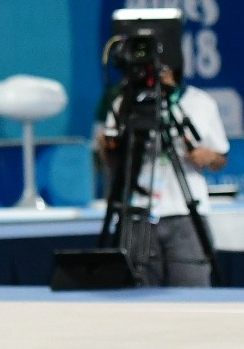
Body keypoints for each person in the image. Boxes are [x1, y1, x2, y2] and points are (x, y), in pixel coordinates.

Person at [95, 62, 228, 287]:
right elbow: (112, 161)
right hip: (138, 212)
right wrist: (106, 148)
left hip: (184, 213)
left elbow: (220, 158)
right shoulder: (124, 103)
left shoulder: (199, 102)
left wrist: (208, 157)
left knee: (193, 295)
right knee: (137, 298)